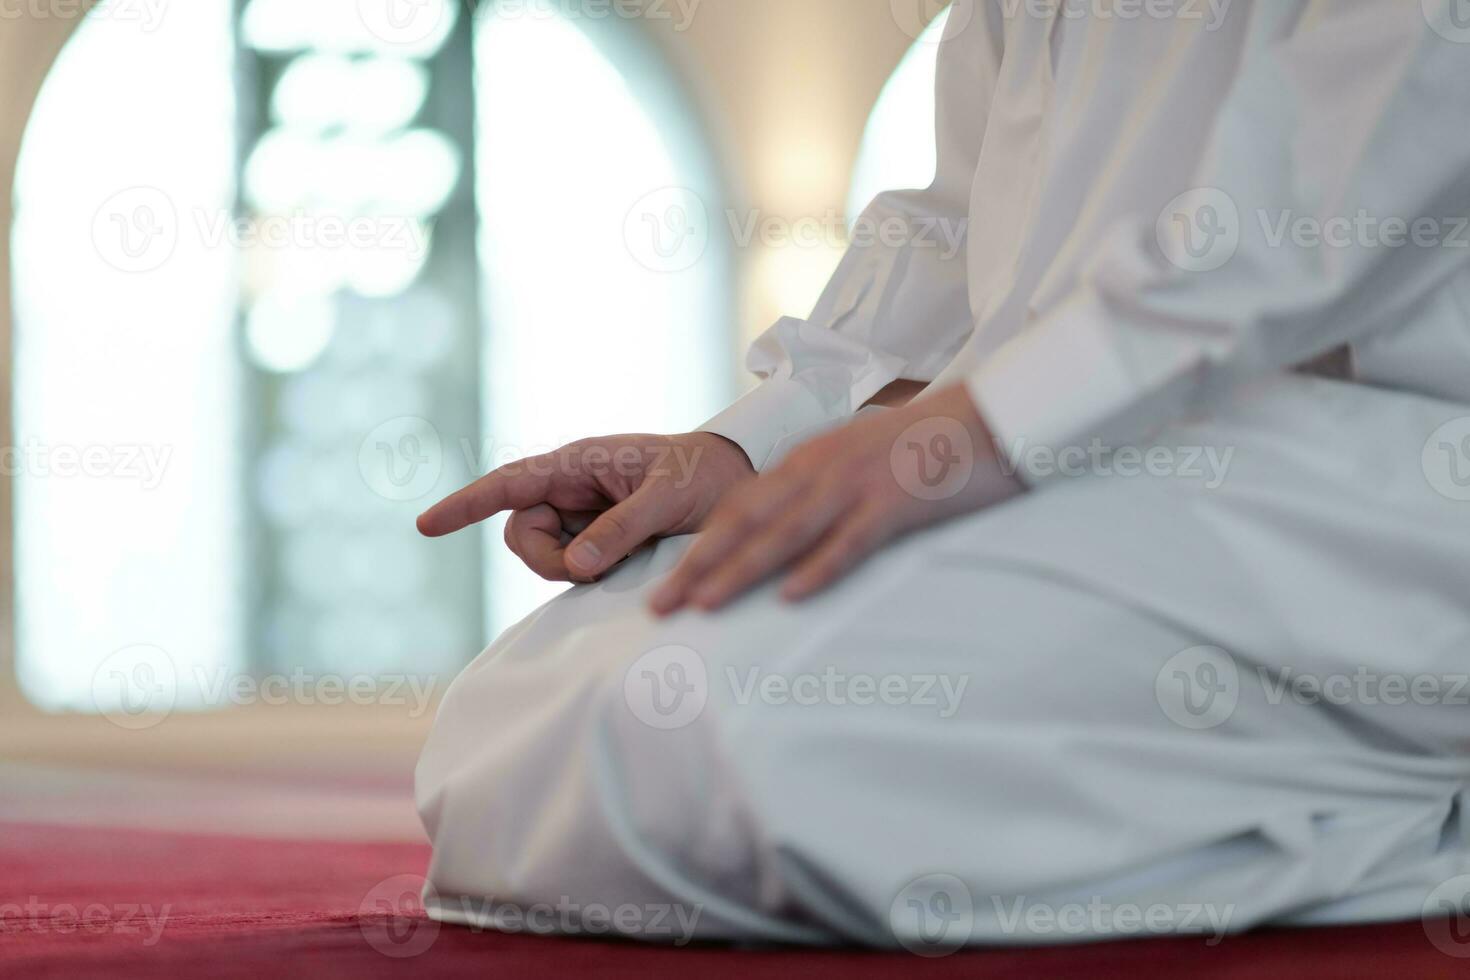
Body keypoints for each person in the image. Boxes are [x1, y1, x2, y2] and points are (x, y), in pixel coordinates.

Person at [412, 0, 1470, 949]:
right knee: (523, 700)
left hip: (1348, 477)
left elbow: (1310, 206)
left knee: (724, 731)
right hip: (1053, 448)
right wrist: (751, 449)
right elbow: (957, 231)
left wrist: (983, 426)